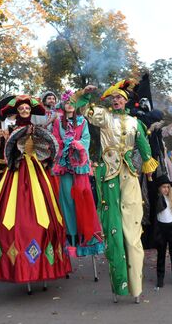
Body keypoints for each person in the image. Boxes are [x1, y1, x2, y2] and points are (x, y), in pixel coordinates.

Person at [77, 81, 158, 303]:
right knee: (113, 229)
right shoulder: (104, 117)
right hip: (109, 176)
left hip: (129, 175)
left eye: (120, 98)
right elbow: (85, 110)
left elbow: (144, 146)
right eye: (113, 98)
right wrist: (84, 95)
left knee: (132, 231)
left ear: (126, 101)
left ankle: (136, 287)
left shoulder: (135, 122)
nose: (116, 100)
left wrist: (149, 168)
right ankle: (119, 285)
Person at [0, 95, 71, 283]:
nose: (25, 111)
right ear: (16, 112)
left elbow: (49, 149)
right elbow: (6, 155)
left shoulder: (37, 130)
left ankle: (43, 266)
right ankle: (18, 267)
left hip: (36, 172)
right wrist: (8, 140)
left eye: (27, 109)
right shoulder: (8, 131)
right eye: (21, 109)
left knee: (45, 214)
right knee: (15, 216)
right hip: (17, 173)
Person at [51, 90, 104, 257]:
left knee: (83, 198)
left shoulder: (82, 121)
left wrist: (77, 144)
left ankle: (86, 238)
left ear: (76, 106)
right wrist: (64, 144)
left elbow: (86, 140)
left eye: (72, 102)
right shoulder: (58, 122)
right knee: (66, 200)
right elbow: (54, 140)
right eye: (66, 102)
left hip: (79, 166)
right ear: (63, 105)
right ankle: (71, 239)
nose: (69, 105)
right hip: (65, 166)